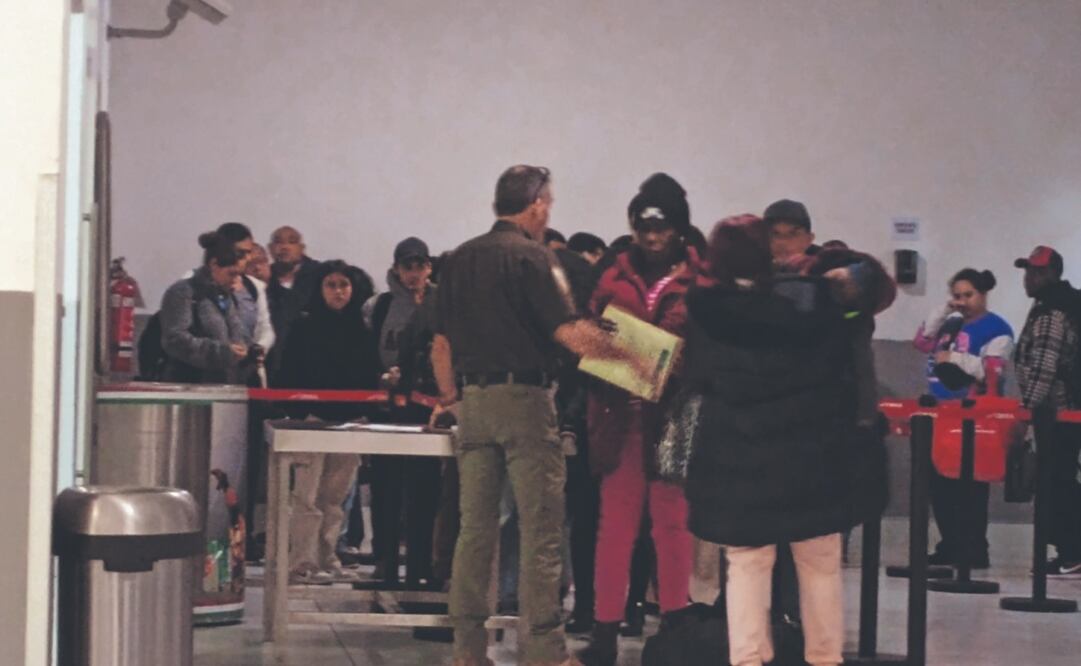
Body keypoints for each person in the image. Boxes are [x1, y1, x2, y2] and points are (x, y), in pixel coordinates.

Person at [432, 164, 643, 666]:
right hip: (525, 402)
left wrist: (454, 399)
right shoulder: (533, 257)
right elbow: (570, 333)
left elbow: (440, 345)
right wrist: (642, 360)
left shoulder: (459, 259)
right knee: (540, 528)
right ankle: (544, 651)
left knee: (474, 530)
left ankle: (466, 651)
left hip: (475, 404)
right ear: (538, 204)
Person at [682, 216, 887, 666]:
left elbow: (691, 379)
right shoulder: (815, 302)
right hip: (812, 460)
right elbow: (859, 326)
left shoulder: (704, 312)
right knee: (819, 564)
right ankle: (824, 658)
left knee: (747, 565)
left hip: (740, 462)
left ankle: (749, 659)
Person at [579, 172, 701, 666]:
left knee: (673, 525)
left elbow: (698, 350)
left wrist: (634, 352)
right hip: (618, 415)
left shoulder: (700, 278)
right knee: (615, 528)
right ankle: (604, 631)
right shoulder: (610, 275)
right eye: (644, 227)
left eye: (662, 227)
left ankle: (674, 626)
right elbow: (587, 338)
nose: (652, 237)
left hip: (675, 417)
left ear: (678, 228)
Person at [277, 260, 383, 584]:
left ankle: (328, 554)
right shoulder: (303, 326)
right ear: (319, 288)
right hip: (312, 420)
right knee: (305, 497)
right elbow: (288, 370)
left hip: (349, 423)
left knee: (335, 499)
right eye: (331, 285)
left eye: (344, 286)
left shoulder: (363, 328)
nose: (338, 292)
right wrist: (297, 414)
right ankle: (303, 561)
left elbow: (369, 374)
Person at [913, 268, 1013, 568]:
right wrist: (945, 310)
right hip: (939, 413)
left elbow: (992, 370)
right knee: (938, 484)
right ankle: (950, 545)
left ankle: (972, 548)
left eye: (968, 295)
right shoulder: (949, 325)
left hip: (972, 417)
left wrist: (954, 359)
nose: (962, 301)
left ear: (982, 295)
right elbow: (922, 341)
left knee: (968, 485)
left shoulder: (997, 329)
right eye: (956, 295)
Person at [363, 236, 442, 586]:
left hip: (426, 408)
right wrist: (380, 379)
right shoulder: (378, 306)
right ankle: (385, 558)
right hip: (386, 408)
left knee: (425, 488)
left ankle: (420, 562)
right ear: (396, 269)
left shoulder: (440, 302)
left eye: (420, 266)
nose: (414, 274)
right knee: (385, 486)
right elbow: (365, 350)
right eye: (407, 267)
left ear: (429, 267)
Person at [1013, 246, 1081, 576]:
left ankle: (1073, 550)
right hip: (1057, 412)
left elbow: (1044, 367)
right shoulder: (1050, 307)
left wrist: (1027, 412)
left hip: (1057, 412)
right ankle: (1069, 550)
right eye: (1028, 271)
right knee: (1058, 478)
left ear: (1053, 274)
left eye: (1037, 272)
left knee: (1058, 481)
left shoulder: (1051, 313)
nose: (1030, 278)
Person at [159, 232, 253, 384]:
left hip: (224, 386)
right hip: (189, 385)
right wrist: (220, 352)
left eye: (239, 275)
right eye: (231, 274)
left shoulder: (226, 297)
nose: (236, 280)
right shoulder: (183, 292)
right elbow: (174, 339)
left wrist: (245, 347)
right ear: (214, 264)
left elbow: (238, 333)